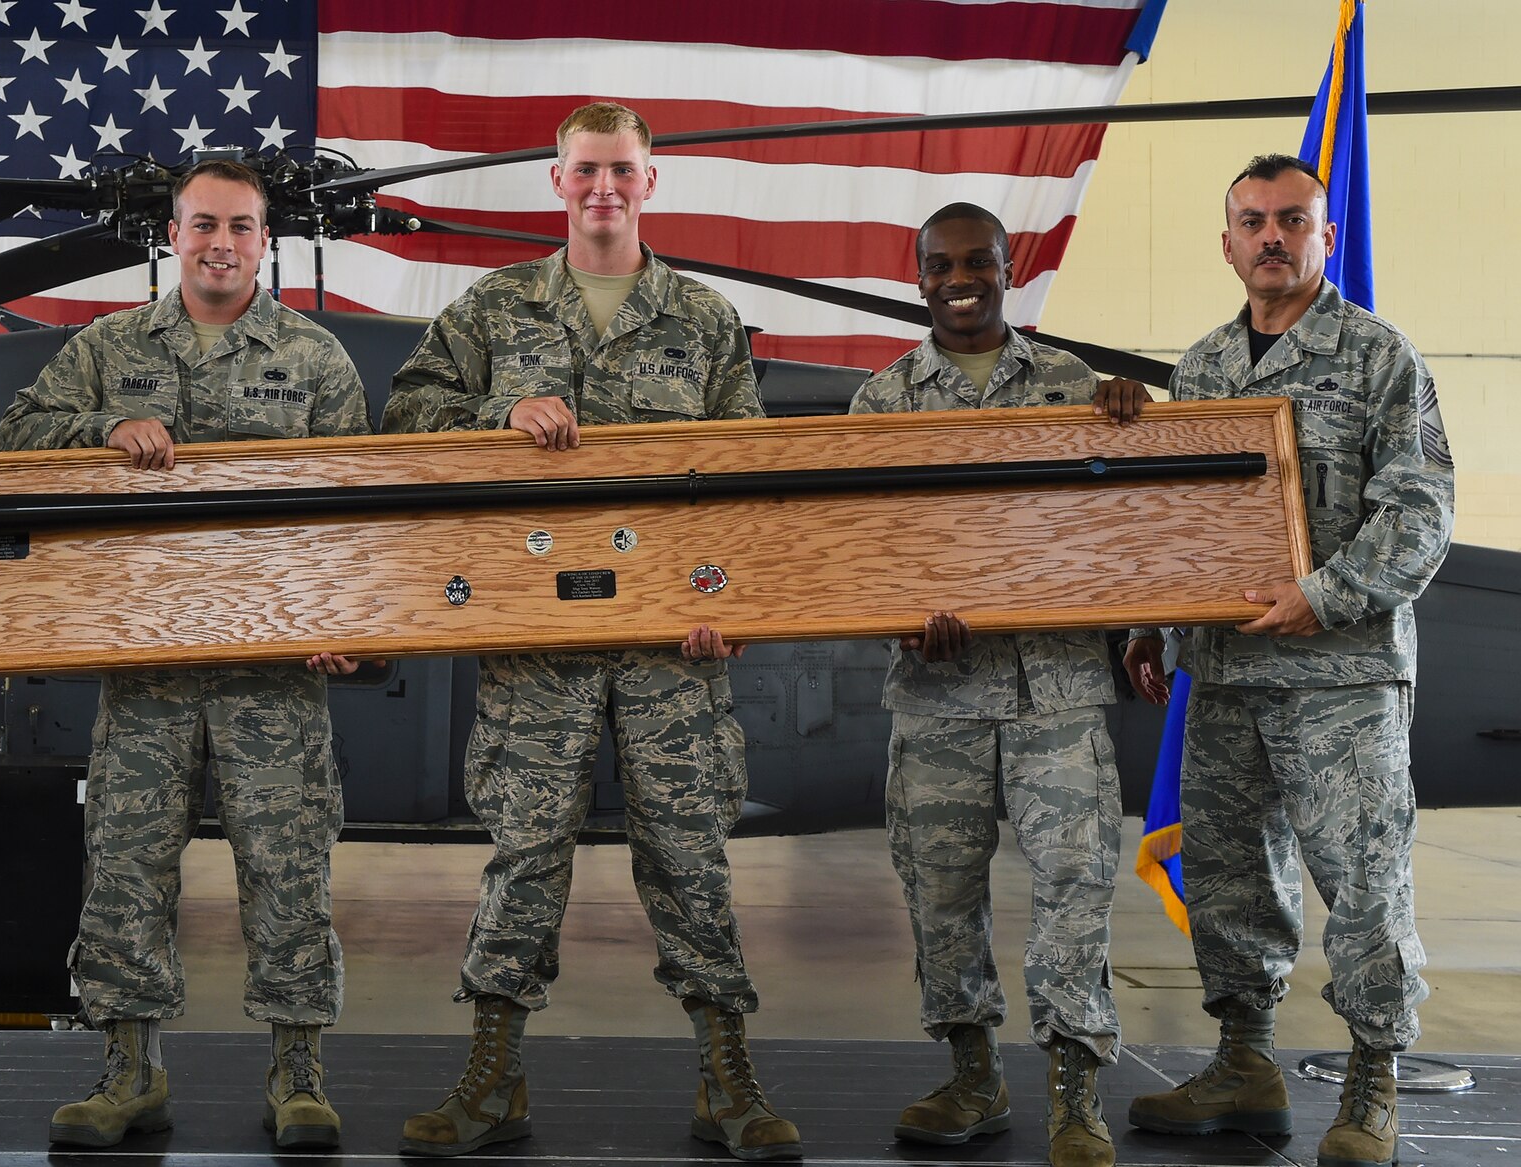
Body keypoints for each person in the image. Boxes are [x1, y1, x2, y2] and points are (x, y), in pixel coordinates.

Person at [383, 101, 799, 1163]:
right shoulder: (494, 308)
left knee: (690, 860)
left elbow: (746, 487)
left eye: (620, 171)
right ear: (554, 182)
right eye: (584, 171)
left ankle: (727, 1077)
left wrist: (732, 613)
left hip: (669, 651)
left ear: (648, 182)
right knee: (521, 859)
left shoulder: (701, 320)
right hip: (538, 647)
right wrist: (498, 415)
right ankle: (491, 1077)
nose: (602, 188)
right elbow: (404, 417)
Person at [0, 159, 370, 1152]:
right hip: (148, 674)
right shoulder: (110, 347)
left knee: (289, 874)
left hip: (274, 679)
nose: (220, 243)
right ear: (172, 233)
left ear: (264, 241)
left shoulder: (315, 357)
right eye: (202, 223)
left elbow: (360, 513)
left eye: (240, 227)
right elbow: (19, 432)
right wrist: (102, 425)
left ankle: (298, 1073)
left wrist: (345, 623)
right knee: (125, 869)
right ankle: (128, 1070)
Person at [1123, 155, 1453, 1167]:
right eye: (1252, 221)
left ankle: (1370, 1082)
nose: (1271, 237)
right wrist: (1149, 618)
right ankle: (1243, 1063)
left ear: (1323, 236)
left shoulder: (1376, 357)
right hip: (1221, 676)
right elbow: (1182, 520)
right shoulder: (1201, 370)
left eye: (1291, 221)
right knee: (1227, 880)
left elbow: (1419, 513)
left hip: (1338, 681)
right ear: (1225, 242)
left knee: (1361, 887)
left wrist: (1323, 596)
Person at [849, 203, 1146, 1167]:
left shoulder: (1072, 384)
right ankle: (973, 1073)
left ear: (1010, 268)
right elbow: (855, 550)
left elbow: (1128, 522)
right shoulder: (883, 400)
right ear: (919, 274)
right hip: (935, 696)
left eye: (979, 261)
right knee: (940, 891)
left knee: (1074, 886)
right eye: (942, 264)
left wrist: (1135, 419)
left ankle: (1073, 1090)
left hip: (1057, 688)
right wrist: (899, 616)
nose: (961, 277)